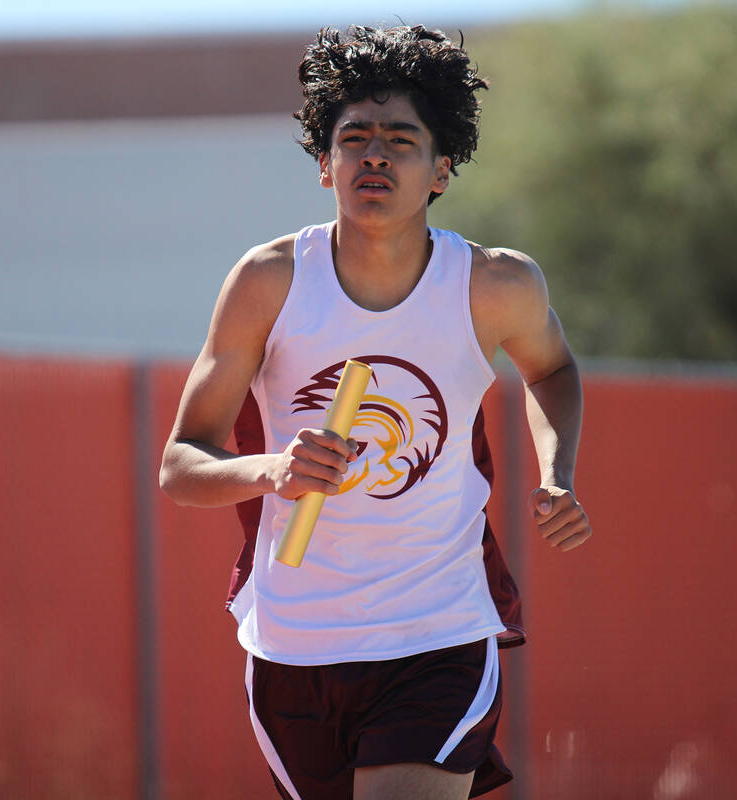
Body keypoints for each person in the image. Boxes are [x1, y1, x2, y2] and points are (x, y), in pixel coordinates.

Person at [159, 24, 591, 800]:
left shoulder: (493, 285)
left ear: (441, 169)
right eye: (354, 138)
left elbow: (553, 368)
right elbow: (180, 465)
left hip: (438, 631)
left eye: (401, 140)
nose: (376, 156)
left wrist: (557, 472)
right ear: (326, 165)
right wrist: (274, 470)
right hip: (294, 644)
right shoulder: (270, 281)